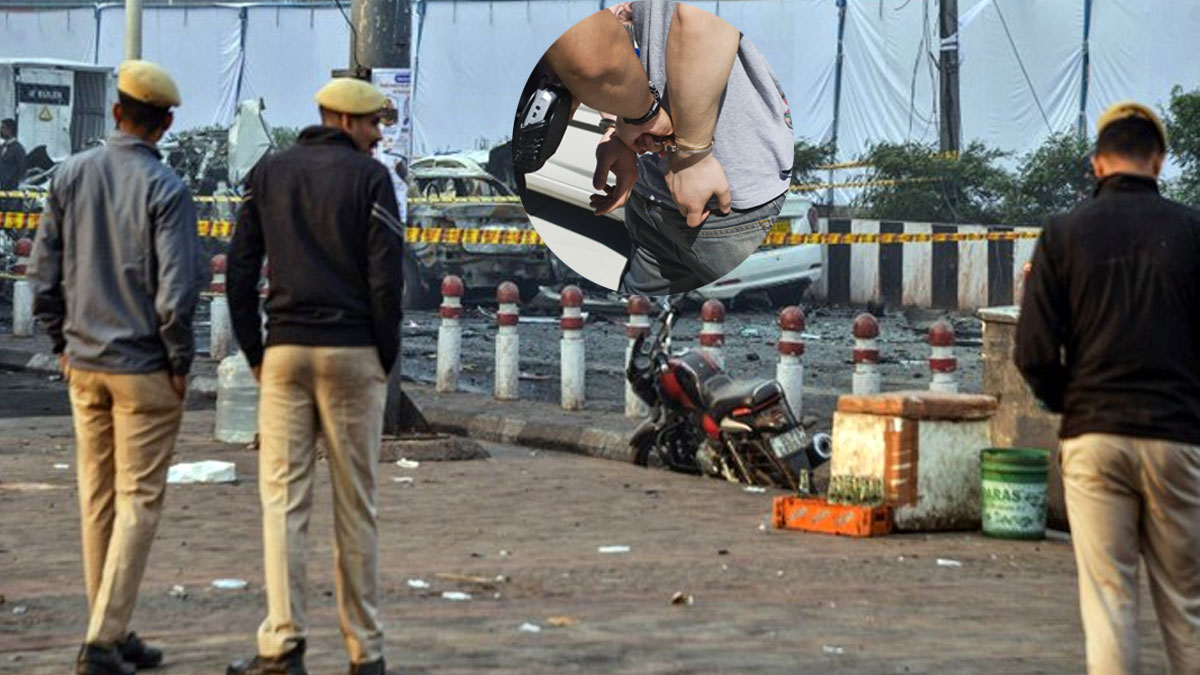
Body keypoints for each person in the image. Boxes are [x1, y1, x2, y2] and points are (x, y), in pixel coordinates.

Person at [27, 60, 206, 675]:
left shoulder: (70, 175)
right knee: (138, 501)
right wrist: (180, 361)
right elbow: (176, 294)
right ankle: (103, 640)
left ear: (116, 113)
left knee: (98, 500)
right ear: (167, 124)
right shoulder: (167, 189)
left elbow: (42, 274)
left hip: (83, 363)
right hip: (144, 369)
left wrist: (59, 339)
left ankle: (112, 625)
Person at [225, 77, 403, 675]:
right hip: (351, 353)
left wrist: (256, 350)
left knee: (281, 501)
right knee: (357, 505)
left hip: (285, 352)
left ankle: (282, 644)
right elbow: (387, 279)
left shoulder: (269, 173)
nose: (378, 136)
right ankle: (365, 651)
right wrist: (382, 356)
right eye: (373, 124)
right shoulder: (371, 180)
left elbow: (240, 269)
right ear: (345, 120)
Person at [1015, 101, 1200, 674]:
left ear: (1097, 164)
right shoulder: (1193, 232)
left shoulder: (1063, 233)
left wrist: (1072, 403)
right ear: (1159, 161)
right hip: (1178, 438)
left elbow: (1032, 351)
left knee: (1110, 604)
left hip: (1093, 437)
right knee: (1188, 605)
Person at [543, 0, 793, 295]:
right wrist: (691, 156)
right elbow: (700, 18)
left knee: (643, 316)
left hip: (666, 190)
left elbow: (609, 22)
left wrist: (620, 124)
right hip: (719, 188)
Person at [0, 118, 27, 211]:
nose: (0, 130)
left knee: (10, 216)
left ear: (9, 130)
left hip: (12, 191)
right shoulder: (2, 147)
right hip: (1, 189)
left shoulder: (18, 149)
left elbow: (22, 168)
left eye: (3, 128)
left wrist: (13, 182)